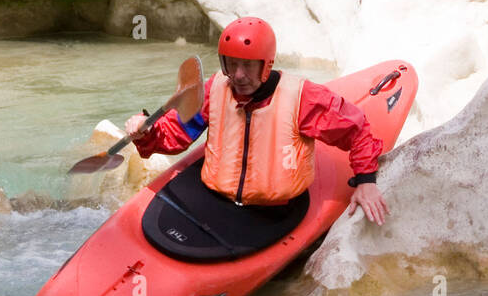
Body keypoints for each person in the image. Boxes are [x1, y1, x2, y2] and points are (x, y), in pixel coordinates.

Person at [125, 16, 389, 225]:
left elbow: (357, 131)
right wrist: (145, 131)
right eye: (231, 64)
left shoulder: (303, 98)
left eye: (248, 65)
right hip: (216, 200)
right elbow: (174, 135)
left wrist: (366, 181)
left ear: (266, 64)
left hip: (276, 211)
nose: (238, 75)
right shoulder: (213, 90)